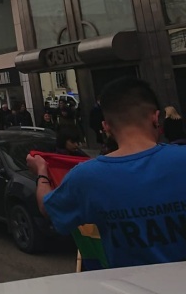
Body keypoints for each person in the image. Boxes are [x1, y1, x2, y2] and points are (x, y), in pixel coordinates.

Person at [27, 77, 186, 268]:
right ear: (155, 117)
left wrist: (42, 172)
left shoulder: (87, 177)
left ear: (106, 127)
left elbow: (47, 208)